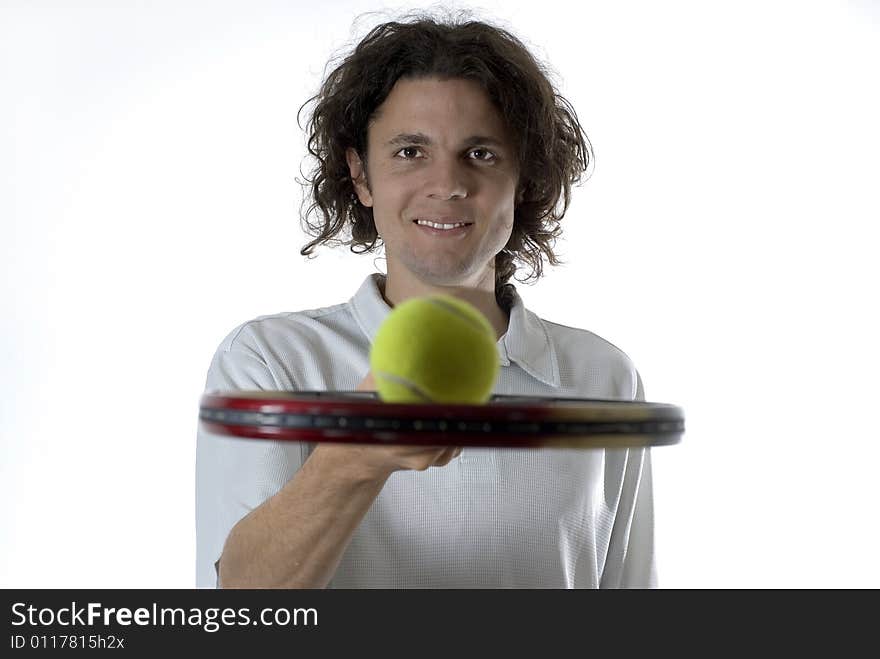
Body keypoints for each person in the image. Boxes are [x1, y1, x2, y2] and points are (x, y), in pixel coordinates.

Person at [195, 11, 656, 589]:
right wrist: (352, 459)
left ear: (525, 177)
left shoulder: (604, 378)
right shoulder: (269, 362)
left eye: (481, 153)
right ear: (361, 176)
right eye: (410, 151)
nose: (447, 184)